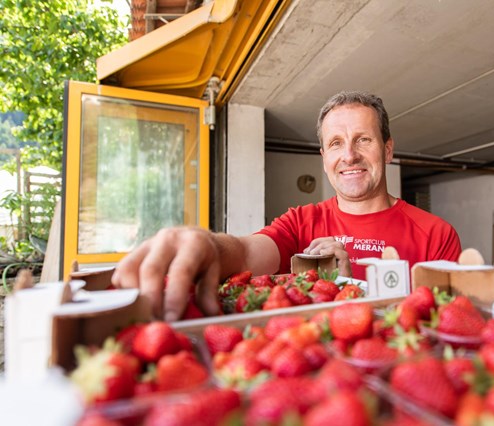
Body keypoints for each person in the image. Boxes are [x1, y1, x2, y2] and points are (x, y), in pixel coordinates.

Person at [112, 91, 461, 321]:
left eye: (363, 140)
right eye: (336, 143)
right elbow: (247, 253)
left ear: (387, 150)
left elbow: (445, 323)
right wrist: (206, 243)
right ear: (324, 158)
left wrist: (351, 289)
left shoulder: (436, 235)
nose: (349, 155)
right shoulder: (300, 222)